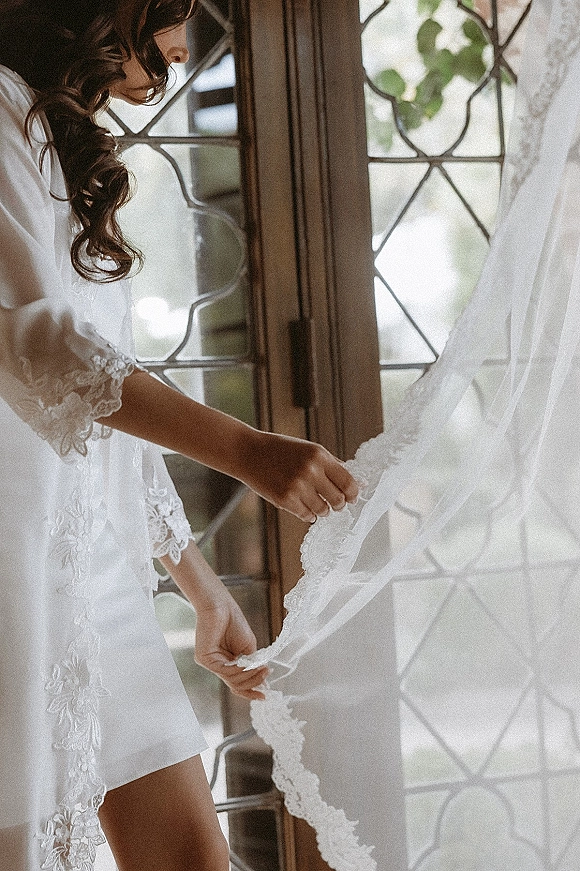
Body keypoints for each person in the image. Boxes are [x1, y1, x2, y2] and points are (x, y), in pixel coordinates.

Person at [0, 2, 359, 870]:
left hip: (93, 578)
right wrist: (246, 448)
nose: (186, 28)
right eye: (175, 4)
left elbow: (103, 394)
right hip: (11, 573)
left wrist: (197, 584)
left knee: (195, 856)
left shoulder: (53, 132)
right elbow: (42, 349)